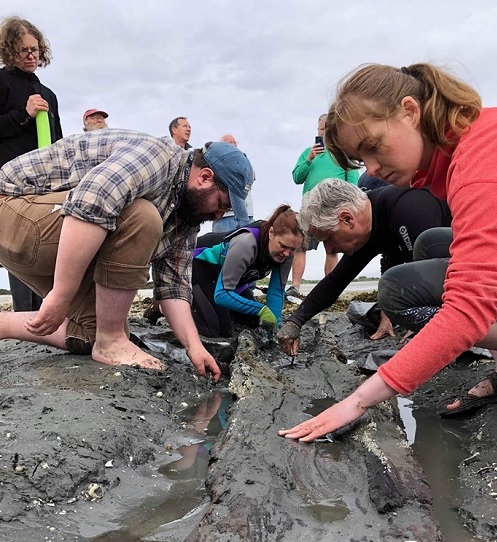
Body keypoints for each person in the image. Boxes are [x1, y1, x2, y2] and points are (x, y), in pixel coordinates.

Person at [279, 61, 497, 442]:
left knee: (408, 290)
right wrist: (297, 319)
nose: (373, 170)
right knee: (432, 248)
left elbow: (468, 307)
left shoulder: (479, 166)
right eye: (363, 160)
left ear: (410, 111)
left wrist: (358, 401)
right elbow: (341, 277)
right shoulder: (456, 154)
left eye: (373, 147)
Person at [0, 131, 254, 377]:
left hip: (49, 240)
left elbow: (174, 288)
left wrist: (194, 347)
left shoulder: (186, 218)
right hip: (12, 208)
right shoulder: (157, 157)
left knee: (92, 332)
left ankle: (5, 324)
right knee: (142, 216)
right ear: (205, 177)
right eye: (222, 204)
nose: (220, 215)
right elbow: (91, 201)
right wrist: (61, 295)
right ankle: (111, 341)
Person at [277, 178, 451, 353]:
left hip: (467, 271)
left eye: (328, 239)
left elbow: (446, 272)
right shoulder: (371, 222)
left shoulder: (410, 207)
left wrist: (428, 330)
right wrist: (295, 322)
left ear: (347, 219)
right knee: (384, 300)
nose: (329, 249)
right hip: (443, 272)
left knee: (397, 290)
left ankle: (456, 334)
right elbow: (336, 281)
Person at [0, 15, 62, 313]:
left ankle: (46, 315)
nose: (31, 56)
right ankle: (25, 317)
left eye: (35, 50)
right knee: (18, 245)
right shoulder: (1, 82)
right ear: (9, 51)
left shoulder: (49, 94)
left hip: (44, 185)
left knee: (46, 242)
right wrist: (22, 114)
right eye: (24, 50)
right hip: (9, 184)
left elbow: (59, 143)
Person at [192, 205, 303, 338]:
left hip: (231, 282)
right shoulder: (246, 242)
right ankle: (174, 309)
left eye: (292, 249)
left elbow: (276, 291)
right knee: (219, 330)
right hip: (200, 270)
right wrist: (261, 310)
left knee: (254, 322)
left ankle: (213, 309)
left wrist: (274, 328)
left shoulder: (287, 252)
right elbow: (222, 294)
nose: (287, 253)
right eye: (283, 246)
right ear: (271, 233)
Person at [288, 113, 360, 297]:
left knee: (332, 248)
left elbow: (352, 182)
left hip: (334, 209)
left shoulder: (343, 153)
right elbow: (297, 177)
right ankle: (295, 286)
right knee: (300, 247)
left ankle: (331, 287)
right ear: (317, 130)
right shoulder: (307, 152)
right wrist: (309, 159)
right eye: (321, 129)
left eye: (328, 128)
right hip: (309, 209)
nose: (325, 131)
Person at [211, 134, 255, 233]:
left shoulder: (243, 159)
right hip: (224, 215)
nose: (233, 144)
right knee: (222, 245)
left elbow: (252, 176)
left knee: (248, 246)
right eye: (230, 142)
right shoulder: (215, 161)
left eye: (235, 142)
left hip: (246, 214)